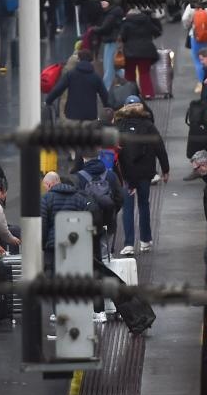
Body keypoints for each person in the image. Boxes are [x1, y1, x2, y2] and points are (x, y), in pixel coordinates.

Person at [115, 95, 169, 254]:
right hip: (145, 173)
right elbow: (160, 148)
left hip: (126, 174)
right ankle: (145, 241)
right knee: (144, 204)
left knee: (127, 208)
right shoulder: (148, 125)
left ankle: (129, 244)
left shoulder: (119, 126)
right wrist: (165, 170)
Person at [40, 171, 91, 275]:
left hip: (53, 248)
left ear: (49, 184)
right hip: (75, 245)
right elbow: (86, 222)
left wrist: (43, 244)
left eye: (44, 186)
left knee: (52, 278)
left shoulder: (46, 199)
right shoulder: (79, 198)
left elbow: (43, 225)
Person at [74, 151, 122, 258]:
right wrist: (112, 211)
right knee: (105, 255)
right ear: (98, 156)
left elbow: (76, 201)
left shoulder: (78, 177)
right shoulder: (111, 175)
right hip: (108, 220)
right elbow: (120, 198)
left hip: (87, 222)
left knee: (88, 255)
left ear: (84, 158)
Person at [45, 49, 110, 123]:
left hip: (72, 115)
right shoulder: (95, 77)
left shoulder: (71, 74)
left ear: (79, 59)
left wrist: (48, 101)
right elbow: (104, 95)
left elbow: (58, 89)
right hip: (90, 116)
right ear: (91, 61)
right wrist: (108, 106)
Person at [119, 7, 162, 99]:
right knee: (144, 73)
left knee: (129, 74)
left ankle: (131, 94)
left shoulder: (126, 23)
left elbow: (123, 37)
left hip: (130, 52)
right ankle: (148, 94)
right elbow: (157, 32)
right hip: (146, 51)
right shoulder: (146, 21)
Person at [182, 0, 207, 94]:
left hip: (196, 37)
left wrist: (188, 26)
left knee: (198, 60)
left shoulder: (191, 7)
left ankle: (202, 83)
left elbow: (185, 19)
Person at [96, 0, 125, 90]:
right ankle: (130, 79)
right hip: (113, 41)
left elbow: (105, 27)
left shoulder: (111, 14)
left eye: (104, 1)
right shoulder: (113, 12)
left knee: (109, 66)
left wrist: (94, 29)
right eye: (101, 1)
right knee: (114, 66)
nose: (102, 3)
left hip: (111, 41)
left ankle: (105, 89)